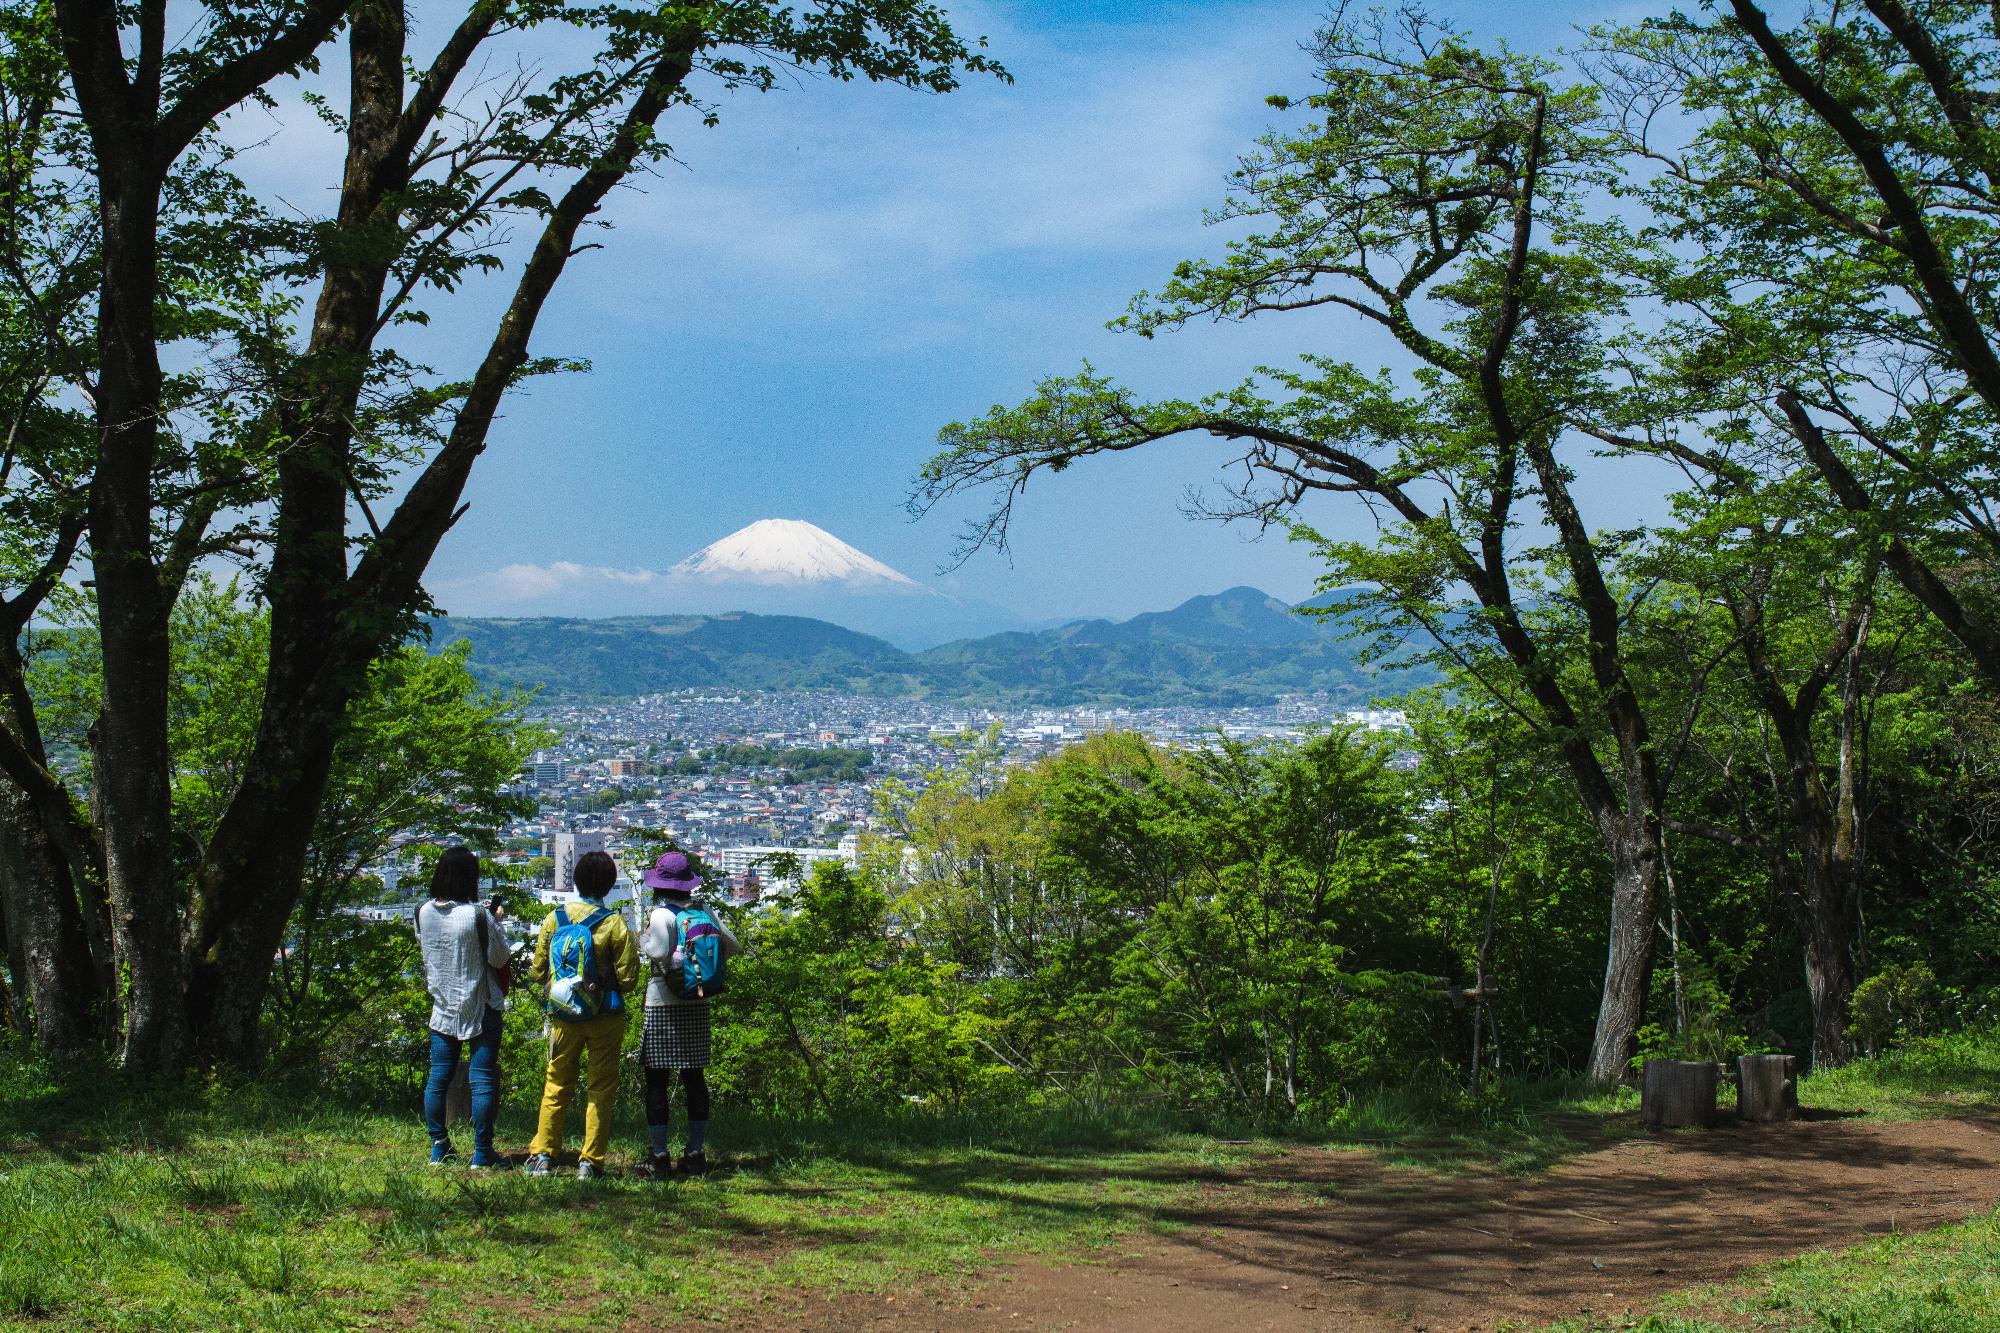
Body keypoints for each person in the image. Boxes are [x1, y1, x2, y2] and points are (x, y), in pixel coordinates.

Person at [524, 849, 639, 1180]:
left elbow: (537, 971)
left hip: (563, 1015)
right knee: (600, 1087)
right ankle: (590, 1162)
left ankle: (543, 1154)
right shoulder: (614, 924)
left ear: (575, 881)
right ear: (607, 886)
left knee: (557, 1082)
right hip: (604, 1016)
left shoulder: (554, 919)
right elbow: (629, 978)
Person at [638, 850, 740, 1176]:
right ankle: (695, 1152)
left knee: (657, 1080)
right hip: (698, 1001)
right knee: (694, 1080)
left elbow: (655, 951)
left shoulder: (661, 915)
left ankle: (658, 1155)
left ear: (658, 885)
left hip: (663, 1003)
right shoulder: (703, 912)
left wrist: (641, 939)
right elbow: (732, 945)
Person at [414, 846, 510, 1168]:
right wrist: (497, 923)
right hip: (480, 1004)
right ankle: (482, 1153)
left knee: (437, 1078)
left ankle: (439, 1147)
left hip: (442, 1005)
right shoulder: (477, 915)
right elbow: (500, 958)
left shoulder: (422, 911)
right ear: (470, 878)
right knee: (481, 1079)